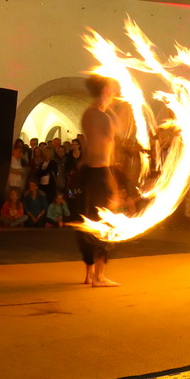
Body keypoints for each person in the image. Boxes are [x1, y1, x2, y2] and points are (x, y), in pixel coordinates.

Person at [74, 74, 121, 287]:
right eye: (111, 88)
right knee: (103, 221)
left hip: (92, 173)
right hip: (98, 173)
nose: (114, 92)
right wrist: (111, 182)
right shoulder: (98, 116)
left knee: (91, 221)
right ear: (104, 91)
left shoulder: (95, 114)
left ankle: (90, 274)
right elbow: (99, 153)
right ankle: (98, 276)